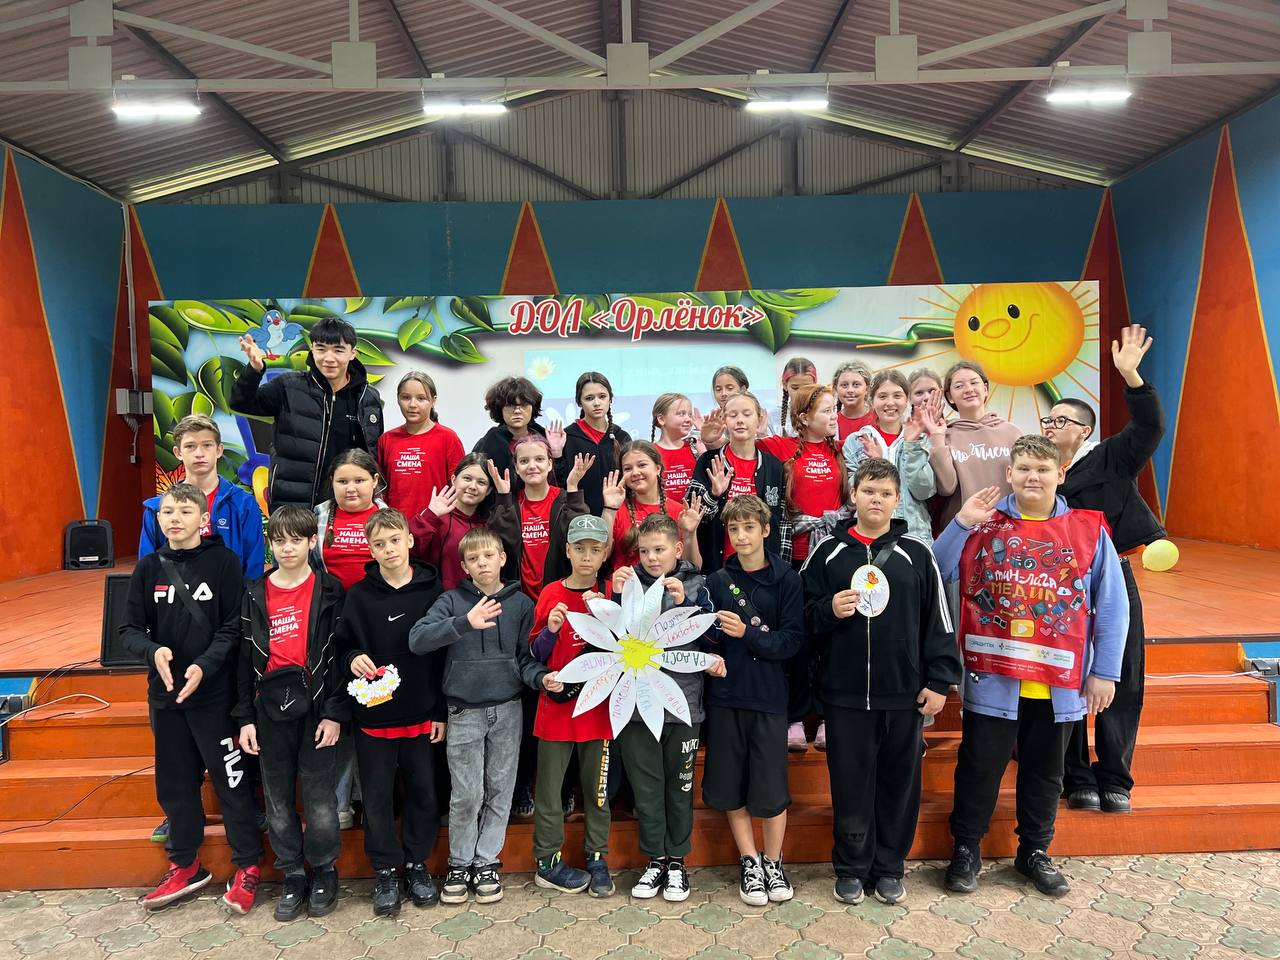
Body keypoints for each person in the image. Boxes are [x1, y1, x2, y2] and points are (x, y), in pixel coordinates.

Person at [933, 436, 1128, 898]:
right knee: (979, 768)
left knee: (1045, 773)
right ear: (1009, 474)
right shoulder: (983, 524)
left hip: (1059, 683)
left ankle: (1034, 851)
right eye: (1023, 468)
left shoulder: (1087, 531)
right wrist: (960, 523)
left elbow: (1112, 604)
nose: (1032, 477)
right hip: (993, 678)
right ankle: (966, 849)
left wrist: (1105, 671)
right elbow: (935, 570)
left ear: (1060, 474)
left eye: (1042, 469)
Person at [803, 459, 960, 906]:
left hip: (904, 695)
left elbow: (938, 620)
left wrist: (939, 679)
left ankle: (890, 867)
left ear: (896, 500)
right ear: (853, 495)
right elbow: (802, 617)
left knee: (899, 785)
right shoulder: (827, 552)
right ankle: (851, 868)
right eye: (869, 491)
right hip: (845, 695)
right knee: (850, 784)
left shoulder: (917, 554)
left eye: (886, 493)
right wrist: (828, 610)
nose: (876, 499)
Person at [119, 483, 262, 913]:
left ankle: (248, 864)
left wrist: (204, 665)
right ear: (158, 519)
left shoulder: (224, 563)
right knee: (175, 786)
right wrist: (152, 651)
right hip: (166, 698)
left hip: (215, 697)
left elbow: (234, 627)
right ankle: (184, 865)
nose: (175, 519)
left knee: (232, 782)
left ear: (203, 519)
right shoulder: (148, 568)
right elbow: (127, 630)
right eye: (167, 512)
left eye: (184, 511)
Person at [1045, 324, 1164, 815]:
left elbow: (1149, 427)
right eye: (1047, 420)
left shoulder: (1110, 458)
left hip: (1113, 579)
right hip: (1059, 586)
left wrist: (1132, 377)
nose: (1050, 427)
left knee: (1123, 674)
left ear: (1083, 431)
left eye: (1061, 421)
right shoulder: (1039, 472)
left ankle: (1115, 776)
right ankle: (1076, 776)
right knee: (1066, 674)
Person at [409, 528, 548, 905]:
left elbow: (525, 658)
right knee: (467, 793)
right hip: (463, 712)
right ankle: (459, 863)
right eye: (473, 559)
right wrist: (464, 622)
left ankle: (486, 862)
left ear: (502, 558)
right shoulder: (451, 600)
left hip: (508, 709)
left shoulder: (521, 604)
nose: (482, 563)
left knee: (500, 789)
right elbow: (418, 640)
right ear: (464, 566)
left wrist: (541, 678)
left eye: (488, 556)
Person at [235, 505, 346, 922]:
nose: (287, 548)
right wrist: (245, 718)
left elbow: (340, 657)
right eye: (279, 541)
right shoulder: (253, 593)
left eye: (296, 540)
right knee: (278, 801)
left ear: (312, 542)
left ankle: (324, 871)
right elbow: (242, 660)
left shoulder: (330, 591)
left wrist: (334, 713)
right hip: (268, 711)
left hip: (316, 709)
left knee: (320, 801)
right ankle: (293, 874)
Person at [336, 508, 446, 916]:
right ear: (370, 549)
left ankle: (417, 865)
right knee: (377, 797)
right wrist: (353, 658)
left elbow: (444, 656)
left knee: (423, 793)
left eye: (395, 540)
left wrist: (440, 712)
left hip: (422, 713)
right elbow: (342, 645)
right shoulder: (359, 596)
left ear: (410, 541)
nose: (389, 549)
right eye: (379, 544)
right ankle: (384, 869)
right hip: (374, 717)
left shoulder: (433, 591)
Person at [611, 514, 724, 902]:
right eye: (644, 551)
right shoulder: (627, 584)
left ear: (678, 548)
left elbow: (714, 639)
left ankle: (677, 861)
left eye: (659, 550)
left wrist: (684, 603)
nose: (652, 558)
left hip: (683, 706)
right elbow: (610, 640)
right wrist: (615, 598)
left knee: (679, 785)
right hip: (635, 706)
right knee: (646, 788)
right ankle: (655, 860)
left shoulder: (698, 584)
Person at [703, 495, 804, 907]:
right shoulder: (716, 581)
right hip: (726, 697)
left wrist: (748, 634)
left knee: (771, 786)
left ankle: (774, 861)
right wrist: (710, 655)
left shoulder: (787, 579)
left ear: (765, 529)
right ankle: (749, 861)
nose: (741, 536)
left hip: (768, 697)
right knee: (732, 784)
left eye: (748, 527)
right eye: (733, 529)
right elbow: (705, 639)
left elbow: (792, 642)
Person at [756, 383, 850, 753]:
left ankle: (826, 716)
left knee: (830, 637)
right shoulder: (780, 448)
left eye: (834, 409)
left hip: (831, 556)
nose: (833, 416)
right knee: (797, 637)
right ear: (803, 418)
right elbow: (740, 449)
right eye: (826, 410)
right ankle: (794, 717)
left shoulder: (841, 451)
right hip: (793, 556)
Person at [530, 515, 617, 897]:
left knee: (597, 792)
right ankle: (547, 861)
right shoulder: (551, 593)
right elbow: (534, 653)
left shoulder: (610, 593)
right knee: (549, 792)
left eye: (594, 550)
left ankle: (597, 858)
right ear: (567, 551)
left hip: (597, 710)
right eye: (579, 548)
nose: (586, 556)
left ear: (604, 554)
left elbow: (626, 649)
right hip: (556, 709)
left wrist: (607, 615)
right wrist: (550, 631)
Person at [231, 317, 383, 509]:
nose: (329, 358)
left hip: (344, 508)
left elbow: (372, 454)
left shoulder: (367, 398)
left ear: (353, 353)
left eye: (338, 350)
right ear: (312, 349)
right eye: (321, 349)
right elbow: (241, 403)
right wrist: (254, 370)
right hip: (293, 506)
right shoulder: (288, 386)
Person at [141, 414, 264, 579]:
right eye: (190, 446)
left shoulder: (244, 504)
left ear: (219, 450)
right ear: (178, 452)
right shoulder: (157, 508)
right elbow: (147, 569)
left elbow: (253, 569)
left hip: (229, 593)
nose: (199, 453)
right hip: (174, 593)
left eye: (207, 445)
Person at [687, 392, 790, 573]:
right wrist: (713, 495)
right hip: (718, 569)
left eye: (747, 414)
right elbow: (691, 518)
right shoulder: (709, 461)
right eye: (733, 415)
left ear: (759, 419)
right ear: (724, 420)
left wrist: (781, 568)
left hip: (762, 569)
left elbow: (781, 522)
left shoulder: (773, 466)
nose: (740, 420)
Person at [488, 439, 593, 597]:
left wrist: (572, 487)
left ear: (550, 464)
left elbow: (581, 538)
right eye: (524, 461)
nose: (532, 466)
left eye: (539, 459)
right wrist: (503, 499)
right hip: (519, 597)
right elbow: (502, 546)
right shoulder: (511, 505)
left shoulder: (565, 500)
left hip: (560, 595)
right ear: (516, 467)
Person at [925, 360, 1022, 529]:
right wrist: (937, 436)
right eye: (959, 386)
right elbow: (946, 487)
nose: (968, 389)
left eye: (974, 382)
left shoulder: (1012, 433)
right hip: (964, 531)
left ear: (985, 389)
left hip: (1010, 529)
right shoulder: (945, 436)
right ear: (950, 397)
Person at [843, 372, 937, 544]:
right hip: (869, 536)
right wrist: (875, 465)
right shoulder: (856, 441)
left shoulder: (921, 439)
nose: (890, 403)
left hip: (913, 535)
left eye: (897, 396)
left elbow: (924, 491)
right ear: (871, 401)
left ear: (907, 400)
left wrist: (911, 446)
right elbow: (853, 497)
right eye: (882, 396)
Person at [603, 441, 703, 573]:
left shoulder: (680, 512)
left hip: (668, 584)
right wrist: (609, 509)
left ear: (658, 468)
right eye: (627, 468)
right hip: (625, 584)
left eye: (642, 465)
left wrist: (689, 534)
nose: (635, 472)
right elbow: (602, 555)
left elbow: (694, 567)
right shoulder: (617, 510)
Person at [377, 372, 464, 522]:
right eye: (406, 397)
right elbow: (379, 488)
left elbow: (458, 488)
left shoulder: (448, 438)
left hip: (436, 525)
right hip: (395, 526)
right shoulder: (387, 439)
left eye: (421, 398)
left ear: (433, 401)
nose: (412, 404)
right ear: (398, 399)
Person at [408, 453, 498, 591]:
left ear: (488, 490)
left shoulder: (488, 524)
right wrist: (429, 517)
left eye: (481, 482)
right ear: (453, 479)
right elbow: (407, 550)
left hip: (479, 600)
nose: (473, 486)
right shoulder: (434, 517)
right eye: (467, 478)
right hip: (437, 600)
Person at [555, 372, 632, 516]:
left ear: (610, 399)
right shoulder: (566, 438)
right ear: (579, 402)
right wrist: (556, 455)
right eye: (589, 398)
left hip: (619, 517)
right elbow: (559, 486)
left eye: (602, 396)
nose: (597, 403)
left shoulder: (621, 437)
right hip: (580, 519)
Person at [311, 450, 387, 591]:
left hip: (377, 599)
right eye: (342, 482)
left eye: (359, 481)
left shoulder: (392, 521)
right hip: (330, 600)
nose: (350, 489)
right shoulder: (316, 519)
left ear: (375, 480)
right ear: (332, 481)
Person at [472, 376, 565, 485]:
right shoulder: (488, 443)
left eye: (524, 405)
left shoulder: (547, 440)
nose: (517, 411)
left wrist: (557, 454)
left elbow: (562, 484)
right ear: (500, 408)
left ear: (533, 407)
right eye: (510, 405)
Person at [650, 392, 702, 504]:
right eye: (681, 414)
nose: (688, 419)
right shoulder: (650, 453)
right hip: (662, 514)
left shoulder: (696, 448)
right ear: (661, 419)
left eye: (690, 415)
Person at [833, 361, 875, 443]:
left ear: (867, 389)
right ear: (836, 389)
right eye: (844, 385)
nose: (850, 390)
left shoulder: (878, 419)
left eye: (856, 384)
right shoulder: (832, 422)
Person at [777, 357, 818, 436]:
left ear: (815, 384)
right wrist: (762, 435)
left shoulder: (825, 414)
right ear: (785, 385)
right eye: (795, 388)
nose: (801, 393)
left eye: (807, 387)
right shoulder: (773, 417)